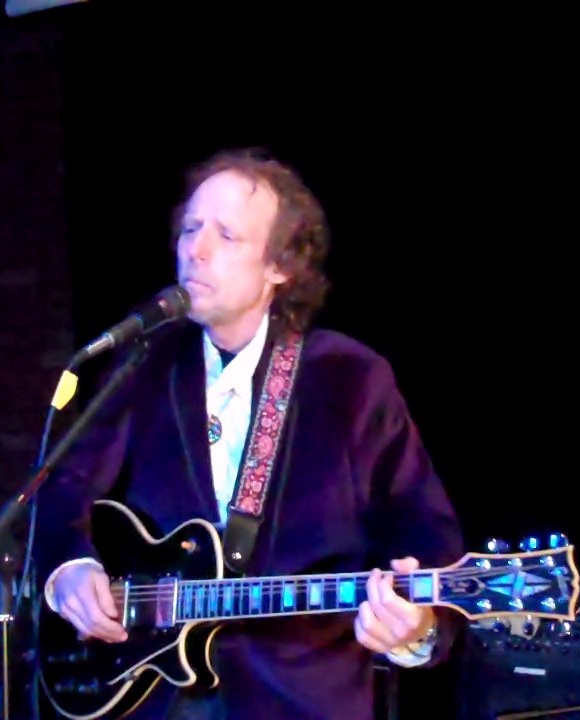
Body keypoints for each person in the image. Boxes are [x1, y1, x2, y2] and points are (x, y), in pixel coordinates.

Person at [33, 148, 465, 720]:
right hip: (152, 698)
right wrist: (70, 567)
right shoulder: (147, 363)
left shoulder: (351, 379)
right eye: (191, 228)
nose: (196, 249)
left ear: (279, 267)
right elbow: (62, 482)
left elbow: (426, 531)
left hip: (300, 703)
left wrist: (420, 629)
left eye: (226, 235)